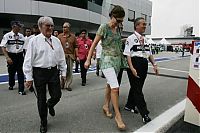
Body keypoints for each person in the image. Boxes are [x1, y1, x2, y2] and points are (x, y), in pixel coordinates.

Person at [85, 5, 126, 130]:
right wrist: (88, 59)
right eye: (118, 20)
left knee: (110, 84)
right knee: (115, 87)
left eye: (121, 21)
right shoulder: (104, 27)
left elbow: (118, 45)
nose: (119, 23)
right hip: (107, 60)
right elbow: (94, 44)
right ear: (112, 16)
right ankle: (118, 116)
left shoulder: (119, 29)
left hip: (117, 61)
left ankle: (106, 106)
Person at [23, 16, 66, 133]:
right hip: (39, 73)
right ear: (40, 27)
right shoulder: (34, 41)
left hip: (53, 72)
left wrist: (63, 73)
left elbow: (61, 58)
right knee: (41, 99)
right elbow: (28, 61)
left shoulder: (56, 40)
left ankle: (50, 104)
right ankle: (43, 122)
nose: (50, 28)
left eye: (52, 25)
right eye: (47, 25)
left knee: (57, 95)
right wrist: (29, 78)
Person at [123, 17, 159, 124]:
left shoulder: (146, 39)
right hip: (134, 63)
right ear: (137, 25)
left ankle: (129, 105)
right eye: (143, 24)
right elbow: (128, 55)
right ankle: (145, 114)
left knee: (136, 87)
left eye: (145, 24)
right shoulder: (130, 38)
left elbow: (149, 54)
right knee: (137, 89)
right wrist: (132, 68)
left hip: (144, 64)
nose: (145, 26)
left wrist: (155, 65)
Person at [0, 21, 26, 95]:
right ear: (14, 27)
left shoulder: (21, 36)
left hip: (20, 56)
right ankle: (11, 84)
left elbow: (24, 47)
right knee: (11, 72)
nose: (20, 28)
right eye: (19, 27)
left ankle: (21, 89)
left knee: (20, 72)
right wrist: (7, 57)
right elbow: (3, 46)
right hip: (11, 55)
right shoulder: (7, 35)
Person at [58, 22, 78, 91]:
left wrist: (77, 56)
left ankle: (67, 85)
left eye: (66, 27)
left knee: (69, 71)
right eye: (63, 27)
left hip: (70, 56)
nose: (64, 28)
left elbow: (76, 47)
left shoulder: (73, 37)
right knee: (63, 70)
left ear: (69, 28)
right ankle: (62, 84)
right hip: (62, 56)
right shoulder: (59, 36)